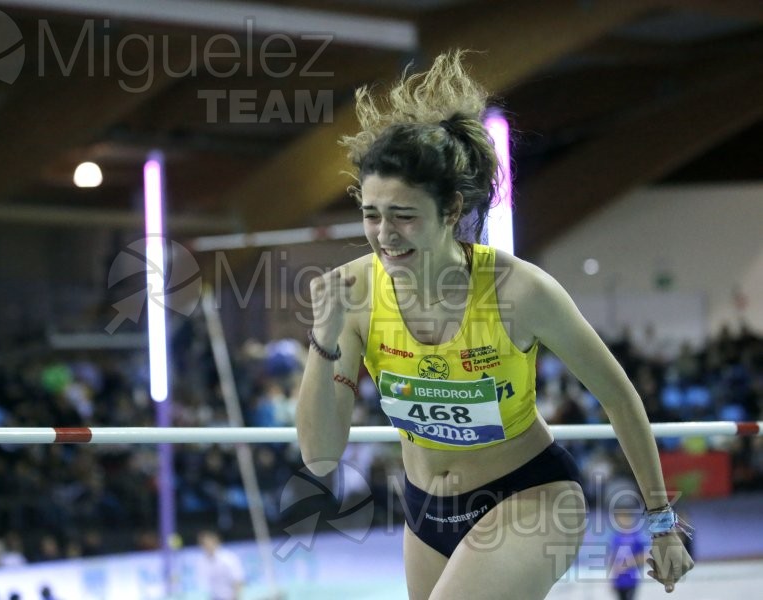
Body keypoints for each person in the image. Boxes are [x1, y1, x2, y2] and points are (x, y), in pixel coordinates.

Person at [296, 49, 694, 599]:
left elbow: (620, 398)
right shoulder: (352, 293)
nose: (384, 235)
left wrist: (660, 522)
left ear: (452, 210)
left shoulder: (521, 291)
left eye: (404, 216)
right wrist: (323, 341)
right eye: (371, 214)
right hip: (425, 510)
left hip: (529, 496)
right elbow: (320, 453)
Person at [195, 530, 245, 600]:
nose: (206, 546)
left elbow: (238, 580)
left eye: (208, 543)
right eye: (203, 544)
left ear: (215, 542)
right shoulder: (202, 561)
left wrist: (235, 597)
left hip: (230, 597)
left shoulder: (228, 558)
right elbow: (204, 585)